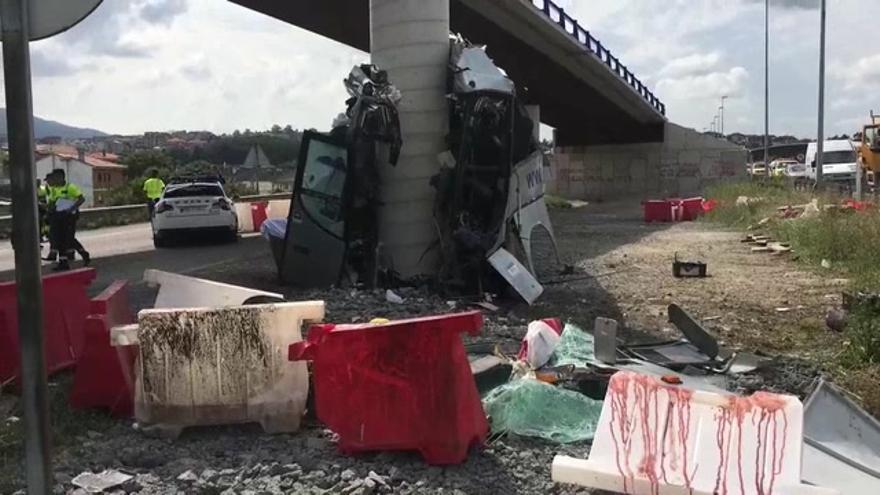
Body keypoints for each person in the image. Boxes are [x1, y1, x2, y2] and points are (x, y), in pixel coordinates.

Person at [45, 169, 90, 271]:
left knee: (68, 239)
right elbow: (52, 202)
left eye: (55, 177)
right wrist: (49, 212)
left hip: (69, 216)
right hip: (58, 216)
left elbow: (81, 199)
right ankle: (63, 263)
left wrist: (71, 209)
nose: (54, 179)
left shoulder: (70, 187)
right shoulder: (54, 189)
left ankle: (84, 254)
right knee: (60, 239)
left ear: (61, 177)